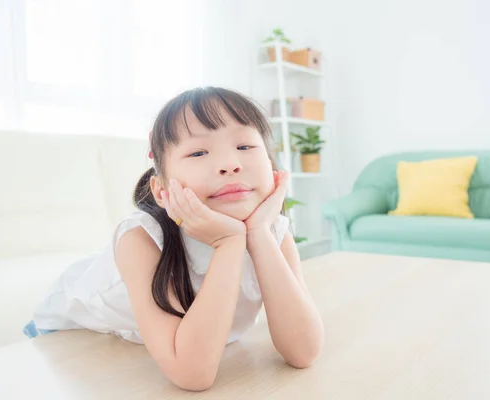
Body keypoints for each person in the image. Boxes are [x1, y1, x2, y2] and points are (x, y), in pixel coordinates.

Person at [24, 87, 324, 391]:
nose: (230, 164)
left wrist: (257, 235)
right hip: (66, 334)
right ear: (161, 190)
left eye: (245, 146)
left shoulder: (272, 233)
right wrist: (229, 243)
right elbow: (192, 375)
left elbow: (303, 352)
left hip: (155, 342)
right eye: (198, 152)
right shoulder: (140, 240)